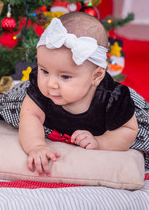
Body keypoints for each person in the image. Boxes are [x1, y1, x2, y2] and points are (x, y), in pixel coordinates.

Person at [19, 12, 139, 177]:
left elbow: (128, 130)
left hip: (104, 128)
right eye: (44, 71)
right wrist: (36, 146)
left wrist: (100, 142)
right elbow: (29, 116)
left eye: (65, 76)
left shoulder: (112, 98)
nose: (51, 84)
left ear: (96, 76)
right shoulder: (40, 90)